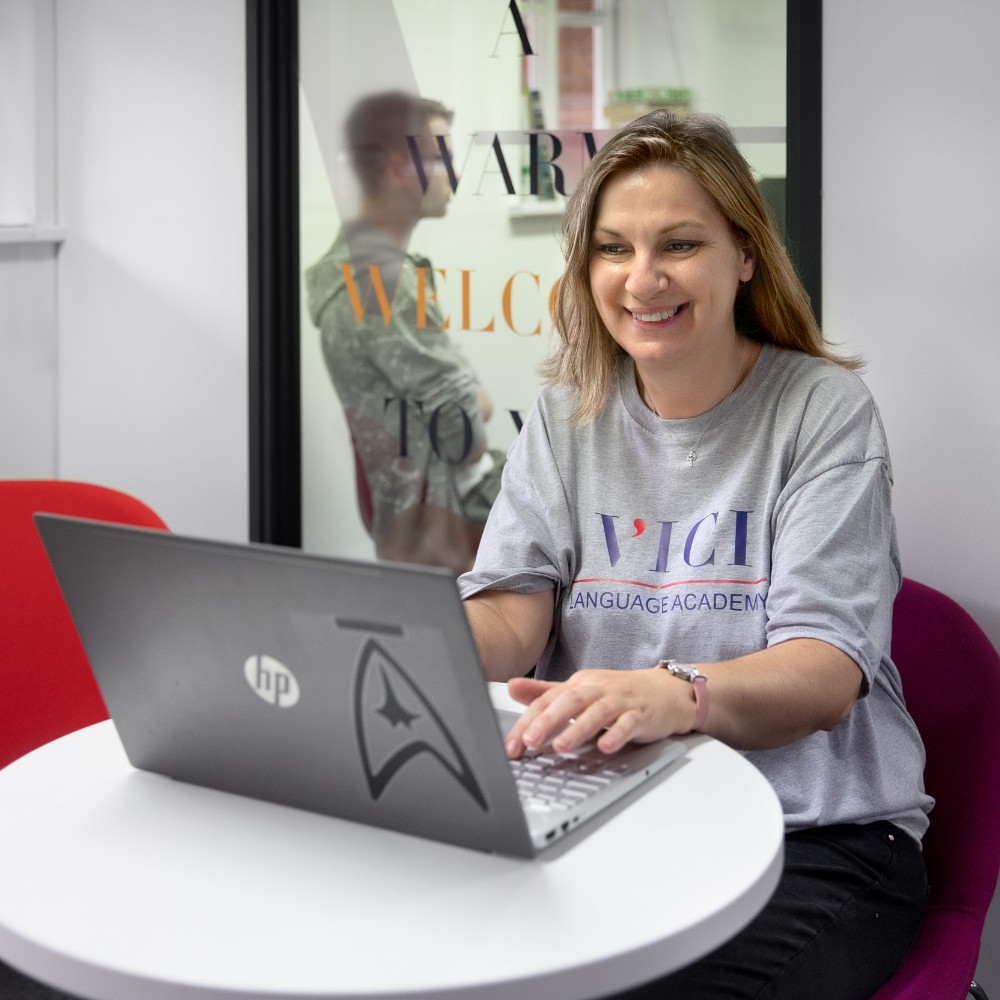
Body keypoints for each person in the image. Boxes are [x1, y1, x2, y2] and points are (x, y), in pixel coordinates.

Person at [459, 109, 931, 999]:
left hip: (817, 840)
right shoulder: (568, 416)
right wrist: (415, 641)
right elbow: (515, 612)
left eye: (679, 244)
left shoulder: (821, 413)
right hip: (621, 812)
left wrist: (672, 693)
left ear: (744, 254)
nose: (643, 280)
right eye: (612, 249)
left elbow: (824, 674)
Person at [306, 91, 503, 572]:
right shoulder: (382, 286)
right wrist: (478, 401)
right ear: (399, 167)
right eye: (443, 159)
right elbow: (467, 434)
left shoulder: (359, 270)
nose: (454, 174)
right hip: (452, 514)